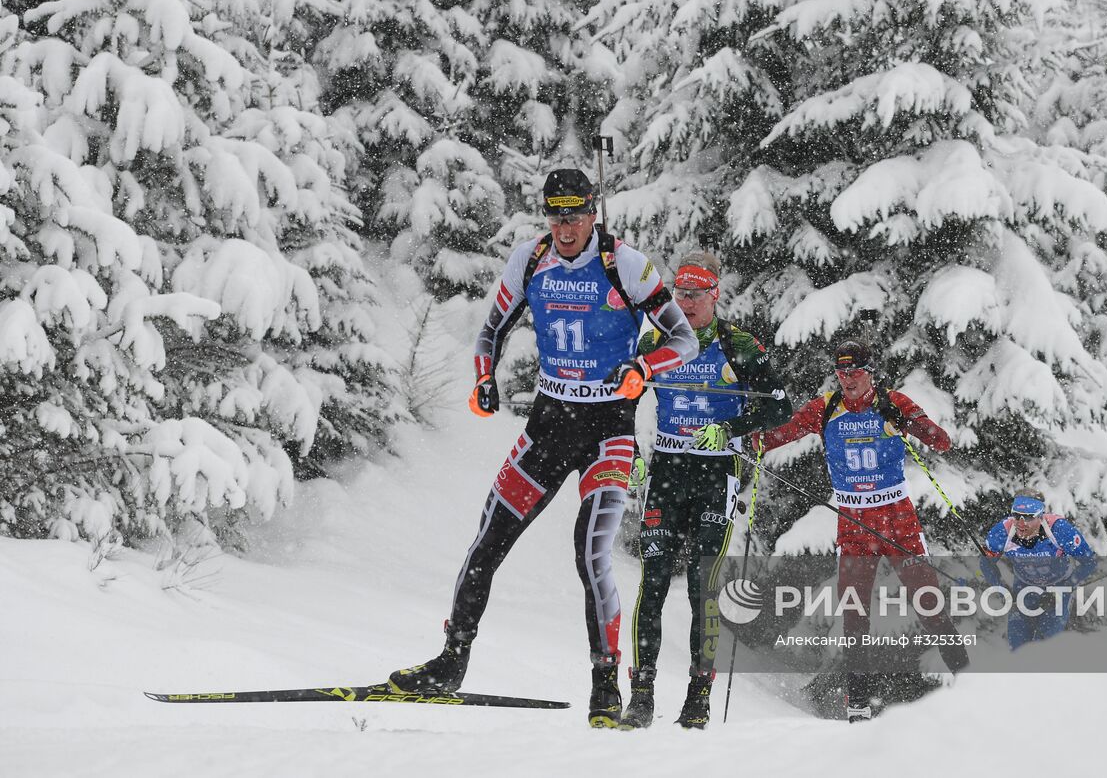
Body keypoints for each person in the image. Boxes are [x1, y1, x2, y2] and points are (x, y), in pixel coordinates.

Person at [386, 168, 699, 728]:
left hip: (609, 427)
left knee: (590, 553)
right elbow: (491, 331)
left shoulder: (622, 262)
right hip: (550, 424)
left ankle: (606, 687)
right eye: (556, 215)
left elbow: (685, 337)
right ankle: (451, 662)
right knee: (488, 540)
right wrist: (484, 378)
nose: (566, 227)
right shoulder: (531, 259)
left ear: (592, 212)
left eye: (575, 215)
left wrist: (643, 370)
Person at [621, 250, 793, 731]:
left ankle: (698, 696)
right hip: (669, 471)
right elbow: (623, 399)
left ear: (714, 296)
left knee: (703, 588)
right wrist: (631, 453)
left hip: (717, 472)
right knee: (651, 584)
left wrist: (732, 427)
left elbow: (780, 406)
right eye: (680, 293)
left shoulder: (737, 343)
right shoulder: (658, 339)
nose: (686, 303)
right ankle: (641, 693)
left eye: (695, 295)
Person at [758, 340, 969, 723]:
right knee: (855, 614)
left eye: (854, 372)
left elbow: (941, 440)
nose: (847, 380)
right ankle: (858, 704)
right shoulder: (825, 409)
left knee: (928, 604)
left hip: (898, 517)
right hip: (854, 521)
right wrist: (738, 438)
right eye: (841, 373)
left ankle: (972, 686)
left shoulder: (893, 401)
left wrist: (905, 421)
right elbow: (776, 436)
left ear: (870, 372)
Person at [981, 489, 1097, 651]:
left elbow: (1089, 562)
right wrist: (1002, 590)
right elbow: (986, 564)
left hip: (1058, 585)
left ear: (1041, 516)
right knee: (1018, 647)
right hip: (1024, 586)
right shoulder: (1002, 532)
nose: (1021, 523)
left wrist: (1064, 588)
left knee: (1044, 646)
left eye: (1028, 517)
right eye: (1016, 515)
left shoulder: (1060, 530)